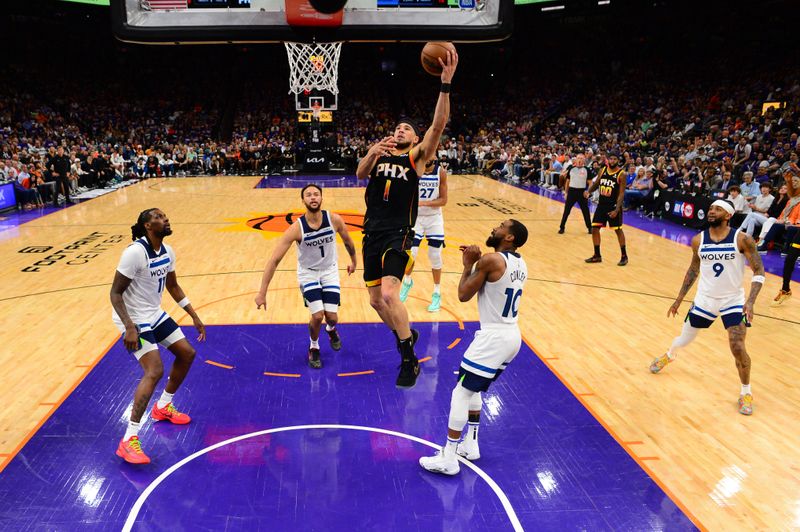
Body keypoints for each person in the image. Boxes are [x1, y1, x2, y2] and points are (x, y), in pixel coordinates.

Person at [355, 50, 458, 389]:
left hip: (398, 232)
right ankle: (406, 334)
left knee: (388, 294)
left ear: (415, 139)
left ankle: (409, 359)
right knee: (374, 301)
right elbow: (359, 174)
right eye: (397, 126)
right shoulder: (381, 154)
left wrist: (444, 85)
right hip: (371, 232)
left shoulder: (416, 158)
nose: (400, 129)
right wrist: (372, 152)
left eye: (407, 128)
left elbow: (438, 125)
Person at [419, 219, 528, 475]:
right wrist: (478, 264)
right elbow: (493, 278)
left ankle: (449, 457)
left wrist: (469, 265)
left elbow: (463, 294)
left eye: (502, 226)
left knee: (460, 393)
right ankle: (472, 444)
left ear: (510, 237)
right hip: (511, 336)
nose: (495, 228)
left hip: (494, 338)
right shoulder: (520, 263)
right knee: (473, 388)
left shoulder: (491, 261)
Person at [649, 200, 765, 416]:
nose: (712, 211)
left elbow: (759, 270)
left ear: (728, 215)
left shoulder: (742, 239)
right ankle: (670, 354)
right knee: (684, 340)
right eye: (711, 208)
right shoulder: (698, 240)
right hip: (705, 299)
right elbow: (693, 269)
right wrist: (679, 299)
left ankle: (745, 393)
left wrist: (750, 301)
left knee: (738, 346)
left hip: (733, 300)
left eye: (717, 209)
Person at [110, 208, 206, 464]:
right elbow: (115, 294)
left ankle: (163, 406)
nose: (165, 219)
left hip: (153, 313)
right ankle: (128, 439)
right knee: (154, 370)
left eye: (165, 215)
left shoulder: (168, 251)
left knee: (187, 353)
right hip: (132, 318)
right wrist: (129, 326)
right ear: (147, 226)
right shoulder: (134, 253)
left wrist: (193, 314)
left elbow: (173, 285)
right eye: (159, 217)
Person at [255, 184, 357, 368]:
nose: (313, 197)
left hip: (329, 270)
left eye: (316, 194)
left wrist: (354, 261)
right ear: (303, 201)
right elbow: (274, 260)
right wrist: (262, 292)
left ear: (321, 198)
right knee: (317, 315)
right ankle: (314, 347)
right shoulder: (297, 228)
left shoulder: (334, 219)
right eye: (308, 195)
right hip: (308, 273)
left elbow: (348, 241)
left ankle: (331, 329)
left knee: (331, 317)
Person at [400, 158, 449, 312]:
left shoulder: (441, 172)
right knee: (411, 254)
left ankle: (436, 292)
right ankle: (407, 281)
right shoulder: (414, 171)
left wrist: (423, 203)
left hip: (434, 218)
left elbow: (443, 200)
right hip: (416, 219)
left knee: (435, 255)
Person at [584, 152, 628, 266]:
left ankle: (624, 256)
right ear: (607, 160)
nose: (612, 161)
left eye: (615, 159)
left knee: (618, 230)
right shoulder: (602, 170)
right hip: (601, 205)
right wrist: (589, 191)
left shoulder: (621, 174)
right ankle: (597, 255)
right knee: (594, 229)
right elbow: (596, 184)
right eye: (611, 159)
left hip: (613, 206)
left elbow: (621, 194)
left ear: (618, 160)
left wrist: (617, 209)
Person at [558, 153, 592, 234]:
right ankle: (562, 227)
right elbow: (567, 182)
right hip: (572, 192)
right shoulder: (571, 169)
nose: (579, 160)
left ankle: (590, 228)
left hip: (582, 192)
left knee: (585, 211)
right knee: (566, 211)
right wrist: (566, 193)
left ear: (584, 160)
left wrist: (588, 192)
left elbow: (590, 183)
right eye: (578, 158)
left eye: (581, 158)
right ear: (576, 160)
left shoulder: (587, 170)